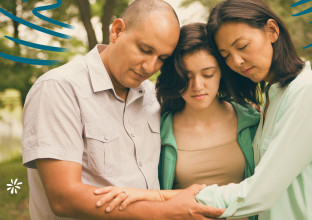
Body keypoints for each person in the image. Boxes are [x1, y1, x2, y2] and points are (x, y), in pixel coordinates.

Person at [93, 20, 312, 219]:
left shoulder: (253, 120)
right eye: (186, 76)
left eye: (208, 73)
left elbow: (275, 169)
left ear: (223, 71)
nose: (197, 86)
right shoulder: (156, 126)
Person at [21, 0, 223, 219]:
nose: (150, 67)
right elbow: (63, 198)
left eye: (162, 59)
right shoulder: (58, 89)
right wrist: (165, 211)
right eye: (145, 50)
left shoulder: (154, 98)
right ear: (117, 31)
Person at [193, 0, 312, 219]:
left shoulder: (306, 91)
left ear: (272, 31)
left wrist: (170, 198)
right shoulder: (273, 95)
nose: (237, 61)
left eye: (242, 46)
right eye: (226, 56)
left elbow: (258, 194)